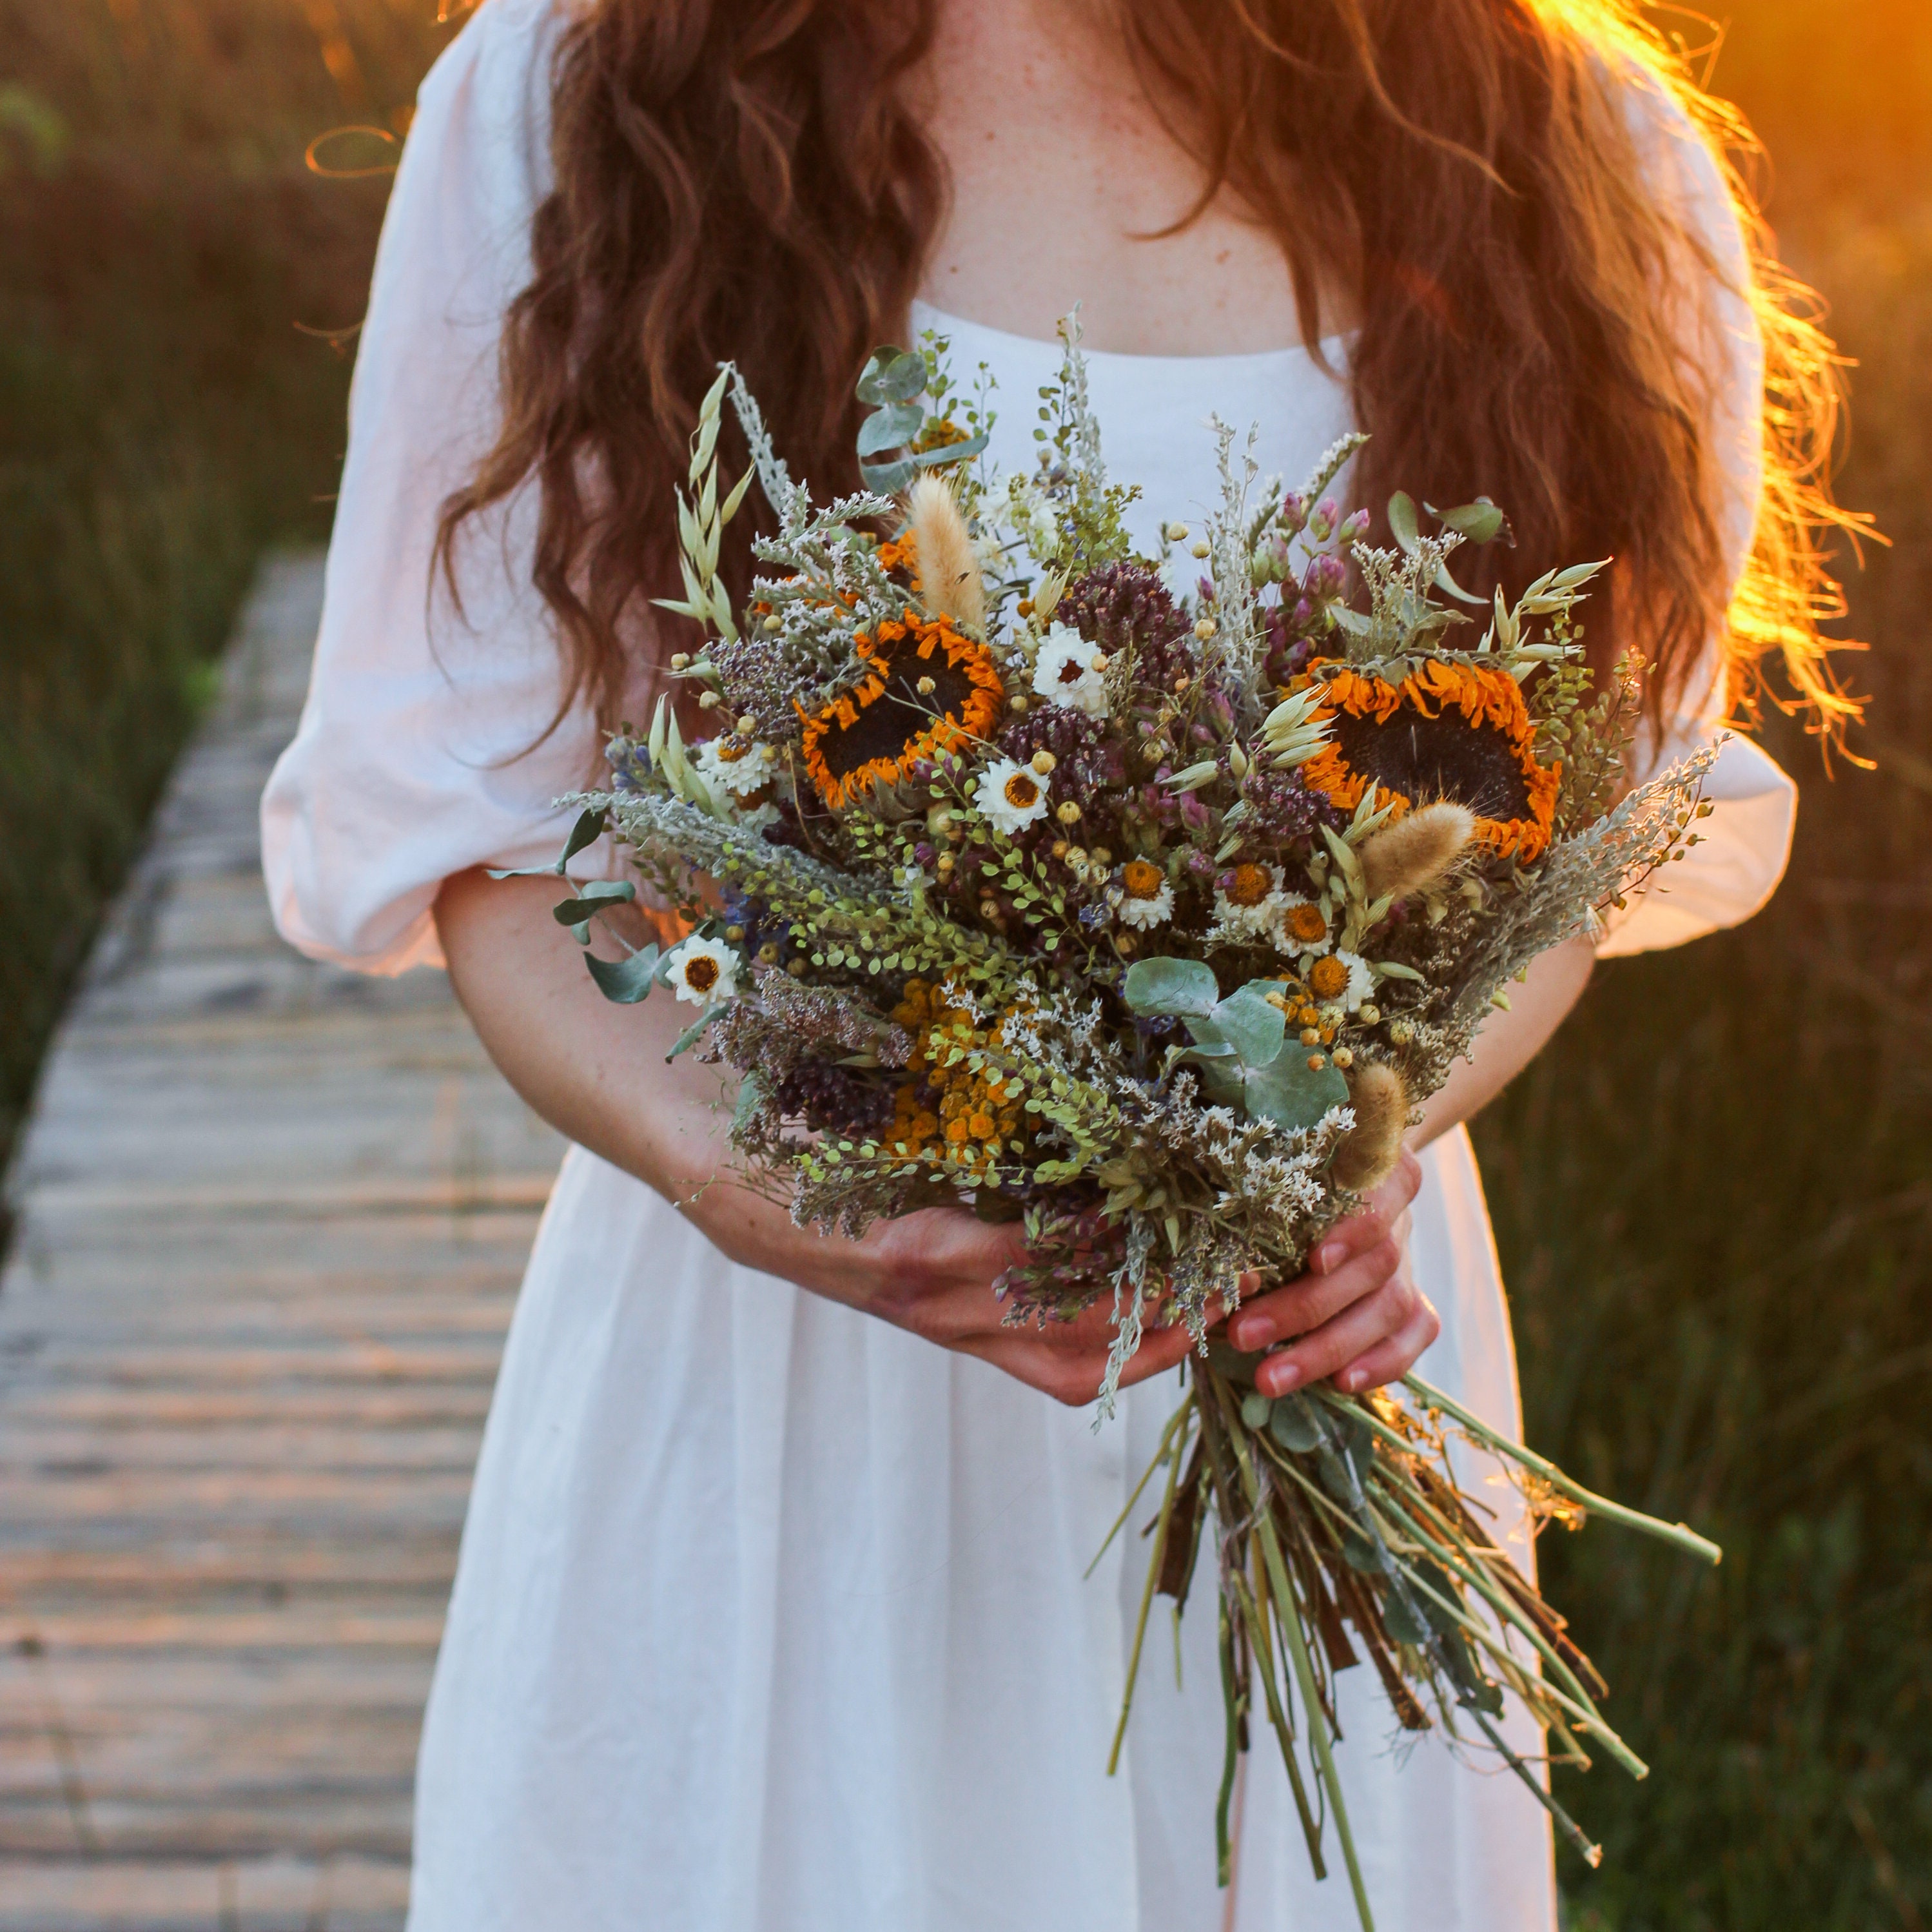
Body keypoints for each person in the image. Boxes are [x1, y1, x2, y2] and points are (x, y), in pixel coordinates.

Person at [261, 1, 1845, 1925]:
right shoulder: (584, 88)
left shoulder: (1562, 131)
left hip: (1306, 1346)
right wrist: (764, 1187)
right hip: (780, 1376)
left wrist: (1340, 1149)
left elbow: (1576, 845)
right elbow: (484, 849)